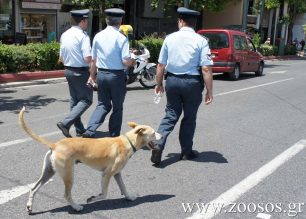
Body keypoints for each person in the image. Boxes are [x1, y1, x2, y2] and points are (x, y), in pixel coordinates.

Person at [150, 7, 214, 165]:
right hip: (192, 83)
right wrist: (209, 91)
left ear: (180, 21)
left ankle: (158, 143)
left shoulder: (169, 38)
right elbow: (206, 68)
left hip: (172, 81)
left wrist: (159, 84)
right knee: (189, 118)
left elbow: (160, 65)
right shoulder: (201, 40)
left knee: (171, 114)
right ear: (194, 23)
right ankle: (186, 152)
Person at [82, 8, 135, 138]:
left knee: (102, 105)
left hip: (102, 75)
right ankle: (114, 134)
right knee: (117, 107)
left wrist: (92, 76)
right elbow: (125, 61)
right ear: (121, 21)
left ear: (106, 20)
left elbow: (94, 60)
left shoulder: (98, 36)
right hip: (116, 76)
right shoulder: (121, 38)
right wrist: (133, 61)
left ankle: (90, 130)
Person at [57, 9, 93, 138]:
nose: (87, 22)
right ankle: (65, 124)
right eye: (86, 20)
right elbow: (87, 58)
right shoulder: (83, 36)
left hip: (68, 70)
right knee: (86, 100)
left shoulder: (65, 34)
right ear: (82, 21)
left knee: (75, 100)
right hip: (80, 72)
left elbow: (61, 57)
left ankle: (79, 129)